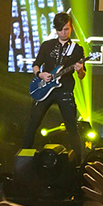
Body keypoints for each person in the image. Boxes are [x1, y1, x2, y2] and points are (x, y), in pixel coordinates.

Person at [22, 12, 86, 162]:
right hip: (45, 88)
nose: (64, 32)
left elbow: (82, 75)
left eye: (67, 29)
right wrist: (40, 75)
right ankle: (23, 157)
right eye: (60, 29)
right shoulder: (47, 45)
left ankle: (78, 161)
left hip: (64, 89)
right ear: (56, 29)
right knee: (33, 122)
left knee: (71, 125)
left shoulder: (77, 49)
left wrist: (80, 70)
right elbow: (36, 64)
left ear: (71, 28)